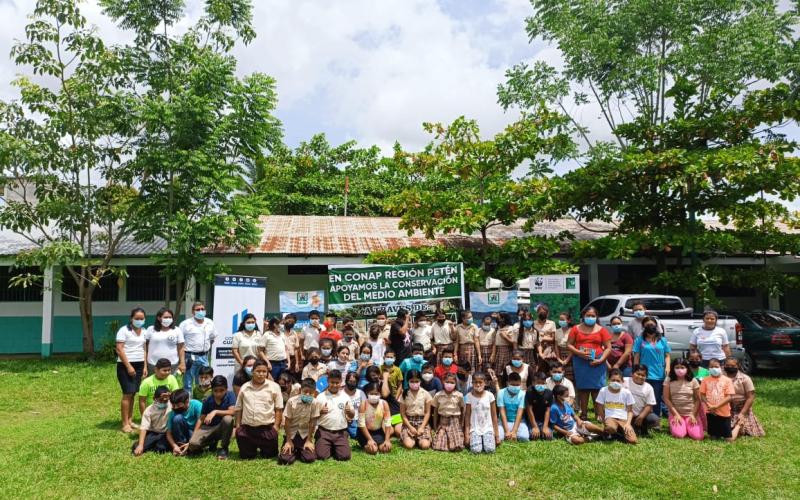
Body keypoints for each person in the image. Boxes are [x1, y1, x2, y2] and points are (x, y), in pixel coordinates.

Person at [567, 307, 612, 420]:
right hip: (580, 361)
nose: (590, 318)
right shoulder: (575, 329)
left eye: (593, 316)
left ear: (596, 317)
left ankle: (598, 414)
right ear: (583, 316)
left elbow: (608, 347)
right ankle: (584, 414)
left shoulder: (602, 330)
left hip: (597, 362)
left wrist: (601, 360)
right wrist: (579, 353)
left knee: (597, 388)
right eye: (588, 315)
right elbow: (569, 344)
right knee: (583, 388)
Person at [234, 360, 284, 459]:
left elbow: (278, 409)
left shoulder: (274, 387)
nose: (261, 374)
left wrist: (276, 428)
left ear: (267, 373)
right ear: (252, 371)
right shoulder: (245, 387)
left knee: (269, 456)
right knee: (247, 457)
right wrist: (238, 427)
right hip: (247, 430)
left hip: (267, 429)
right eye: (258, 371)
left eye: (264, 371)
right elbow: (238, 408)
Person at [186, 375, 235, 459]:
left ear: (226, 389)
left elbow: (232, 412)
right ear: (212, 390)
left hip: (222, 427)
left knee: (228, 419)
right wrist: (194, 436)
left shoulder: (230, 395)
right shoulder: (208, 400)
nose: (218, 393)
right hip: (209, 428)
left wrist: (215, 411)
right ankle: (211, 443)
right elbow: (201, 419)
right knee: (193, 444)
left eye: (221, 390)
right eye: (215, 391)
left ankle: (224, 448)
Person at [115, 307, 147, 433]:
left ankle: (130, 420)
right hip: (125, 365)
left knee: (133, 392)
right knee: (127, 393)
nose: (139, 320)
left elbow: (144, 349)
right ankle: (124, 424)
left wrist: (144, 366)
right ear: (131, 319)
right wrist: (128, 366)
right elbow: (119, 349)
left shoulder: (144, 331)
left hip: (139, 364)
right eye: (137, 318)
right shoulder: (123, 330)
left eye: (142, 318)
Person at [313, 370, 356, 461]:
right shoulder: (320, 397)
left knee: (344, 456)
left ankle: (334, 446)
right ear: (328, 381)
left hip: (340, 432)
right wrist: (320, 412)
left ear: (341, 382)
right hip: (324, 431)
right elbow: (313, 416)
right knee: (321, 456)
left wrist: (349, 412)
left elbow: (352, 416)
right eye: (332, 382)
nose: (335, 385)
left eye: (337, 383)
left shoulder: (345, 397)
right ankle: (326, 444)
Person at [632, 316, 671, 416]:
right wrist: (635, 370)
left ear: (656, 325)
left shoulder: (662, 340)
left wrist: (667, 367)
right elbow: (636, 355)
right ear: (643, 326)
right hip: (643, 373)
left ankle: (655, 419)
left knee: (656, 396)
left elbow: (667, 355)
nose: (650, 326)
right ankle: (641, 416)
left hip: (658, 373)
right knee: (642, 395)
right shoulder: (639, 340)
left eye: (652, 324)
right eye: (647, 324)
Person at [278, 378, 319, 465]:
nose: (308, 394)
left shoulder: (315, 403)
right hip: (291, 434)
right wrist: (288, 441)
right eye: (305, 392)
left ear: (314, 392)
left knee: (310, 458)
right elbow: (287, 422)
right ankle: (293, 449)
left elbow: (312, 423)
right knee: (285, 460)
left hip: (304, 435)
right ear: (300, 390)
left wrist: (309, 440)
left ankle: (299, 450)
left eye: (311, 392)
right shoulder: (291, 401)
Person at [724, 357, 765, 439]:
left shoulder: (745, 378)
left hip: (741, 408)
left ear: (738, 366)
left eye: (732, 365)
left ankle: (740, 424)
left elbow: (751, 397)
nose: (730, 367)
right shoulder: (721, 377)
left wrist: (742, 413)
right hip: (725, 407)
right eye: (727, 365)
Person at [180, 301, 216, 393]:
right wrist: (182, 361)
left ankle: (202, 402)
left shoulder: (210, 322)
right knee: (188, 384)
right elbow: (180, 343)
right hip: (189, 357)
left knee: (204, 382)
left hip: (204, 357)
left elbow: (212, 338)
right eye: (198, 309)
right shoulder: (185, 324)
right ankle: (189, 404)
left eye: (202, 309)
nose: (200, 311)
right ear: (193, 312)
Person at [663, 359, 703, 441]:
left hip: (691, 413)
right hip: (676, 414)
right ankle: (681, 427)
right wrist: (676, 414)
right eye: (677, 367)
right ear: (673, 368)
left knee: (698, 437)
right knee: (679, 435)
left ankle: (687, 426)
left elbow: (698, 399)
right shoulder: (668, 380)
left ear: (687, 368)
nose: (680, 369)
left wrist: (693, 414)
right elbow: (666, 398)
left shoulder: (693, 380)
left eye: (682, 367)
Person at [595, 369, 637, 444]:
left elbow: (630, 411)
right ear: (609, 380)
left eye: (618, 381)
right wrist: (604, 420)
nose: (615, 382)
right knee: (610, 428)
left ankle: (618, 433)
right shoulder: (603, 390)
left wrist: (628, 424)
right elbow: (599, 407)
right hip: (610, 418)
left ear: (622, 381)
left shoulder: (626, 392)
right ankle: (611, 431)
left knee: (632, 441)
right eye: (613, 380)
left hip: (623, 419)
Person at [464, 371, 500, 453]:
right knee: (475, 450)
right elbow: (467, 416)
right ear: (472, 383)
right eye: (475, 382)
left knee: (490, 450)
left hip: (488, 428)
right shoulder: (469, 396)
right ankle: (478, 440)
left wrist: (497, 435)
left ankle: (486, 439)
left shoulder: (490, 396)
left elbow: (494, 416)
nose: (478, 385)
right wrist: (467, 435)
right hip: (475, 429)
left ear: (485, 383)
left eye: (480, 382)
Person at [700, 358, 735, 442]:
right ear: (708, 368)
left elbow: (730, 396)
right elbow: (702, 394)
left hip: (724, 412)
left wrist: (716, 406)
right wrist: (709, 406)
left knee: (728, 439)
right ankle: (715, 434)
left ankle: (737, 427)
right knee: (713, 437)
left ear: (721, 367)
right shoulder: (705, 380)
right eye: (711, 367)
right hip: (710, 412)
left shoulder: (727, 380)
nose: (714, 368)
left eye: (716, 366)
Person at [145, 307, 185, 376]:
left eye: (170, 317)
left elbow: (181, 348)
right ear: (159, 318)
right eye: (166, 317)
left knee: (170, 386)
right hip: (153, 365)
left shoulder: (177, 330)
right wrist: (145, 365)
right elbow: (145, 348)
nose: (168, 319)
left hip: (172, 365)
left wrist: (182, 363)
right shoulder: (150, 329)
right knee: (154, 386)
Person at [132, 386, 172, 456]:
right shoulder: (149, 410)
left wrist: (171, 396)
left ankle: (156, 445)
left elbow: (181, 397)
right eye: (160, 400)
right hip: (154, 432)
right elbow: (144, 428)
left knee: (161, 449)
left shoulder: (172, 405)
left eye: (165, 401)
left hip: (166, 433)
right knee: (136, 447)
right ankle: (145, 443)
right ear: (154, 398)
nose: (163, 402)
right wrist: (141, 445)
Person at [399, 370, 433, 450]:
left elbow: (427, 413)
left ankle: (420, 439)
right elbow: (403, 414)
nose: (414, 383)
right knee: (409, 445)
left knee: (425, 446)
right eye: (412, 381)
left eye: (417, 381)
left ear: (420, 381)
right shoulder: (404, 394)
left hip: (422, 422)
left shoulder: (425, 394)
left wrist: (422, 427)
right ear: (408, 381)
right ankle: (411, 439)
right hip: (409, 422)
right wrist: (410, 427)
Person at [431, 372, 465, 451]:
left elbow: (463, 409)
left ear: (455, 383)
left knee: (457, 446)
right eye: (447, 382)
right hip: (443, 422)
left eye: (452, 382)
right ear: (443, 382)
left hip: (455, 421)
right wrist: (435, 426)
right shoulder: (438, 395)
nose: (449, 384)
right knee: (438, 446)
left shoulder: (459, 395)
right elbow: (435, 412)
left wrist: (461, 424)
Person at [624, 364, 660, 436]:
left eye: (643, 375)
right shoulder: (624, 381)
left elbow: (650, 405)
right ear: (632, 374)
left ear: (646, 377)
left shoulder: (649, 387)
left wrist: (641, 417)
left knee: (654, 419)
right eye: (638, 374)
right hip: (624, 414)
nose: (640, 377)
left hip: (639, 414)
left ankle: (642, 426)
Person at [357, 382, 394, 454]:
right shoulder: (363, 404)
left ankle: (376, 444)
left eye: (376, 394)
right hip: (364, 432)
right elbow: (361, 424)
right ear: (367, 393)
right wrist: (370, 439)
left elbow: (388, 422)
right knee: (373, 450)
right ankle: (366, 445)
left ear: (380, 394)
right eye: (371, 393)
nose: (374, 396)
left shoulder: (384, 404)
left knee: (386, 449)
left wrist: (387, 440)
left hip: (378, 431)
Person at [166, 389, 203, 456]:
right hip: (181, 436)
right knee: (177, 418)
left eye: (178, 405)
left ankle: (191, 447)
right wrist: (174, 446)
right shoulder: (173, 413)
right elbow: (168, 433)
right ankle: (181, 447)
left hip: (196, 432)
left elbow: (202, 425)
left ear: (187, 401)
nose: (175, 407)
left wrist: (191, 442)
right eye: (173, 405)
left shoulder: (196, 405)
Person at [497, 371, 529, 442]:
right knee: (499, 437)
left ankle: (513, 433)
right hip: (504, 421)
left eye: (517, 385)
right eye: (512, 384)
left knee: (524, 437)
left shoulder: (523, 394)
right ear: (507, 383)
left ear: (520, 384)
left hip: (519, 421)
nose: (515, 387)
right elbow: (502, 413)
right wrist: (507, 431)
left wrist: (514, 431)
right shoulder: (501, 393)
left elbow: (519, 413)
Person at [525, 372, 554, 440]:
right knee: (533, 437)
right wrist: (534, 426)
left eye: (543, 383)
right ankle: (535, 428)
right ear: (533, 383)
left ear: (545, 383)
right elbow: (529, 410)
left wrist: (545, 426)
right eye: (538, 383)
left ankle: (542, 428)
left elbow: (548, 411)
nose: (540, 385)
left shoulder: (549, 393)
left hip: (543, 420)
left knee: (548, 437)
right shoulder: (529, 392)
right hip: (532, 420)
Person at [263, 317, 290, 382]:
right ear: (275, 324)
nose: (282, 326)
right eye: (280, 324)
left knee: (283, 382)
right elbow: (260, 351)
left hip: (283, 363)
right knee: (272, 382)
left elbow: (286, 349)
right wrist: (268, 363)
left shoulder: (282, 334)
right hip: (272, 364)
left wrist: (289, 362)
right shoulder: (267, 335)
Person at [535, 304, 558, 373]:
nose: (542, 314)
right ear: (537, 312)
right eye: (540, 312)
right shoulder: (533, 323)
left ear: (547, 314)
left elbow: (553, 338)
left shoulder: (552, 323)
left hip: (549, 350)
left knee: (549, 369)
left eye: (544, 313)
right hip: (536, 349)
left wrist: (544, 339)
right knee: (538, 369)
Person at [343, 371, 366, 439]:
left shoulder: (361, 393)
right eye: (350, 381)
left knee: (357, 435)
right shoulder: (340, 393)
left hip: (358, 420)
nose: (352, 383)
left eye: (354, 382)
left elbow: (365, 407)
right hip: (344, 420)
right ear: (346, 381)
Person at [554, 312, 574, 381]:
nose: (561, 321)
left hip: (570, 355)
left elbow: (573, 347)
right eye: (560, 319)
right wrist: (558, 358)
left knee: (570, 376)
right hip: (560, 354)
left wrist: (567, 359)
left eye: (563, 320)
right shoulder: (557, 331)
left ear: (568, 321)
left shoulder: (572, 331)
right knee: (560, 374)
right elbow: (556, 346)